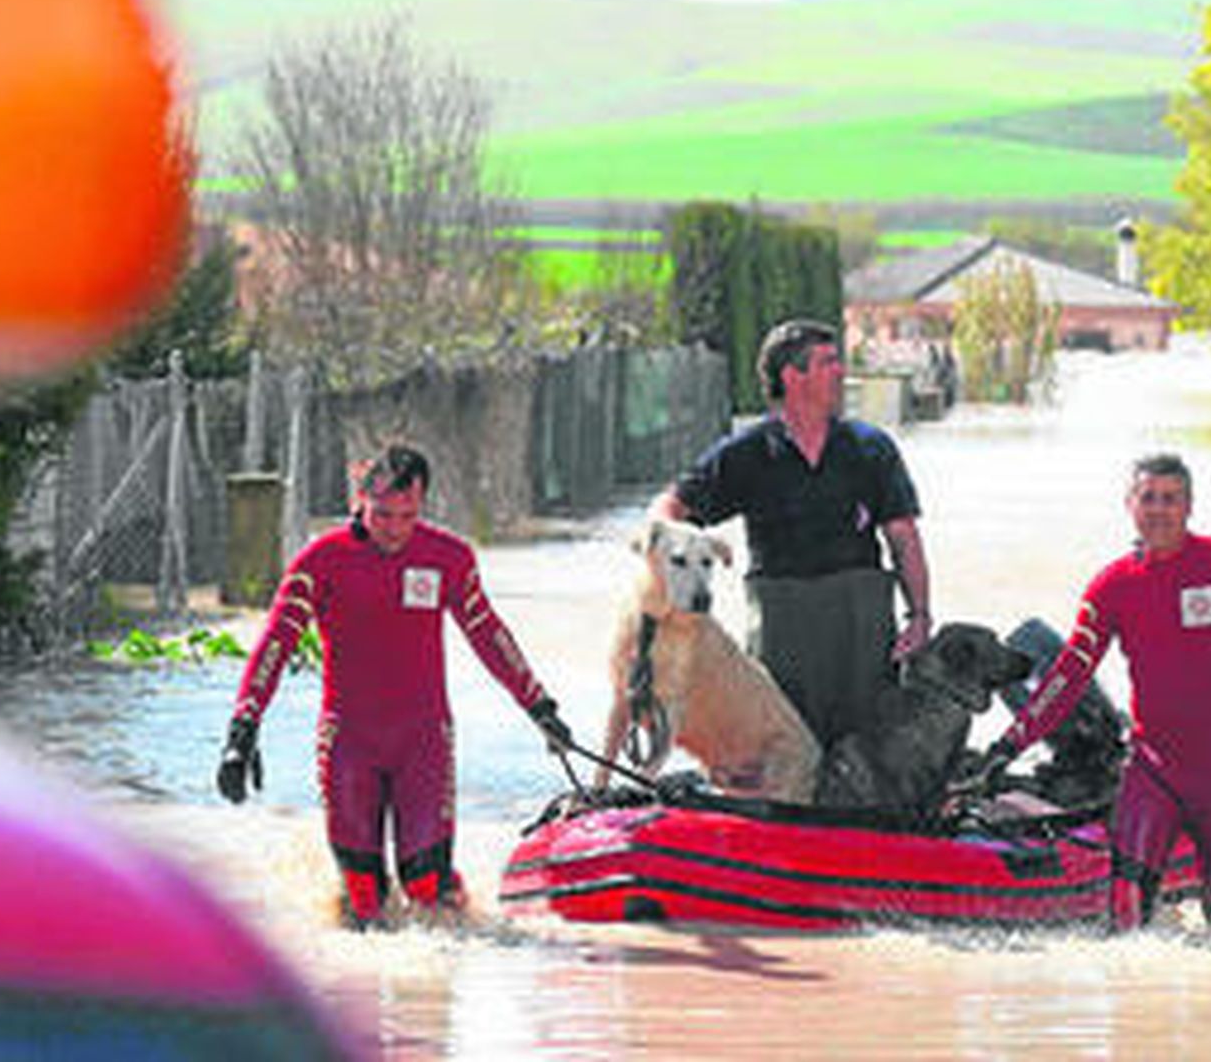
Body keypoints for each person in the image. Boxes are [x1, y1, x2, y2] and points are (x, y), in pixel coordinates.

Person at [215, 445, 573, 929]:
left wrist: (540, 708)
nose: (395, 529)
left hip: (423, 741)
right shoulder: (320, 561)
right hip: (349, 742)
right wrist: (243, 730)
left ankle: (460, 946)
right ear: (360, 498)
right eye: (382, 514)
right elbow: (275, 644)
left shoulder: (448, 558)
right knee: (363, 901)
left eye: (408, 516)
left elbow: (490, 636)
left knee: (426, 887)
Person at [979, 453, 1211, 941]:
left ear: (1189, 506)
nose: (1158, 509)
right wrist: (1008, 746)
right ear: (1130, 505)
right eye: (1148, 498)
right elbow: (1069, 673)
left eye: (1170, 499)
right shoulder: (1112, 585)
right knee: (1126, 925)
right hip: (1153, 773)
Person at [648, 318, 933, 750]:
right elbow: (670, 508)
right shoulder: (747, 453)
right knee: (784, 746)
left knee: (866, 748)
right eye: (828, 362)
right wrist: (674, 565)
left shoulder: (871, 447)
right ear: (792, 376)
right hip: (784, 624)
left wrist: (920, 616)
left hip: (862, 627)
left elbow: (904, 538)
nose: (841, 371)